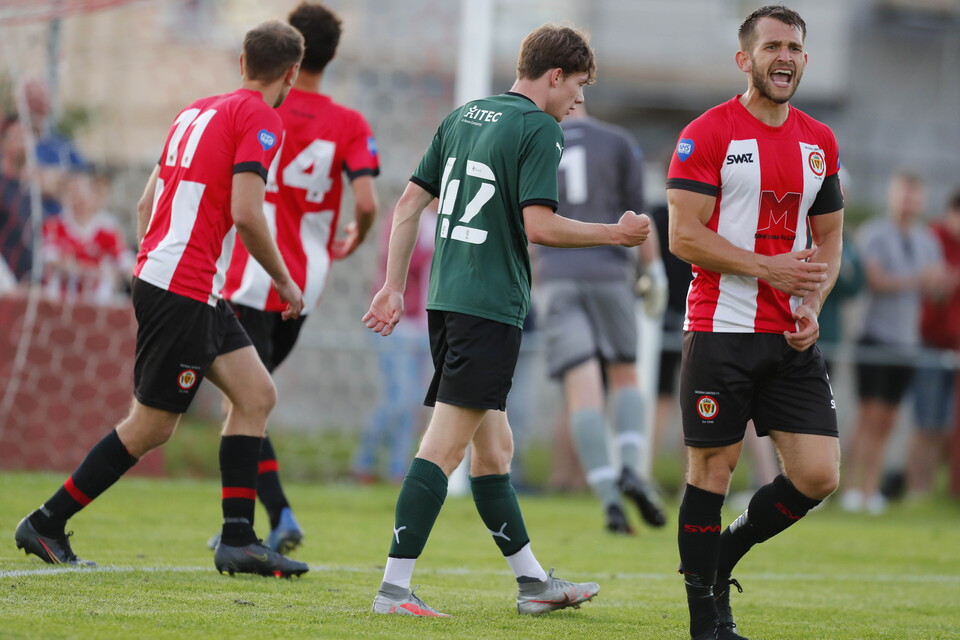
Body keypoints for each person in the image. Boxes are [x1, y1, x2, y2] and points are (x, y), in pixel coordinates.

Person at [362, 23, 650, 617]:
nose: (578, 100)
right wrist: (614, 234)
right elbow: (538, 226)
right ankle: (393, 590)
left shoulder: (464, 116)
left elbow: (409, 205)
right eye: (577, 86)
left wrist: (393, 286)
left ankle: (533, 585)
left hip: (447, 301)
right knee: (443, 449)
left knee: (495, 452)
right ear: (554, 76)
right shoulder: (539, 128)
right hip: (488, 308)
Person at [14, 20, 309, 578]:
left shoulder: (194, 112)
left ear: (242, 62)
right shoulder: (261, 119)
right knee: (151, 426)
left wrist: (158, 264)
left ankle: (238, 540)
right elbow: (247, 213)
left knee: (255, 394)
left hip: (181, 280)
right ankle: (47, 522)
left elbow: (146, 205)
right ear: (291, 73)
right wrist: (285, 281)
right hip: (184, 286)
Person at [666, 7, 845, 639]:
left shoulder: (820, 141)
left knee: (819, 475)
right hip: (721, 329)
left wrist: (813, 304)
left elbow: (829, 238)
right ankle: (705, 624)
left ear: (805, 59)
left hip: (790, 338)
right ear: (745, 59)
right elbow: (683, 236)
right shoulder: (708, 132)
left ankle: (723, 557)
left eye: (794, 47)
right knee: (711, 474)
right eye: (772, 46)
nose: (784, 56)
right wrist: (769, 270)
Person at [213, 0, 381, 554]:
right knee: (248, 400)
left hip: (252, 275)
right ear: (329, 56)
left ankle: (274, 515)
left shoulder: (258, 108)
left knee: (244, 401)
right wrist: (356, 235)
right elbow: (366, 202)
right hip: (303, 285)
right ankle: (257, 515)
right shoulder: (350, 123)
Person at [533, 104, 667, 534]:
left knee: (582, 388)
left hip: (555, 275)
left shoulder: (534, 143)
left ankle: (609, 497)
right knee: (625, 374)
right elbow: (639, 217)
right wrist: (655, 271)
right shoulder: (617, 141)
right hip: (609, 271)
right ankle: (630, 467)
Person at [840, 171, 945, 515]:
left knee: (888, 419)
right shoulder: (874, 233)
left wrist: (940, 283)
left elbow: (936, 290)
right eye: (904, 194)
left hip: (907, 342)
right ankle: (851, 487)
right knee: (868, 415)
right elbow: (875, 280)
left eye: (914, 196)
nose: (909, 202)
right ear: (892, 195)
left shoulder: (927, 240)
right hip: (875, 336)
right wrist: (918, 279)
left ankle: (871, 489)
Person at [352, 205, 434, 485]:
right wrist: (433, 251)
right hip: (396, 324)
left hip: (426, 327)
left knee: (414, 403)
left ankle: (398, 470)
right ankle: (365, 461)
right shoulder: (406, 215)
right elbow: (396, 262)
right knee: (400, 400)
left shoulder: (448, 219)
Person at [906, 189, 960, 498]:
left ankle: (927, 491)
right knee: (925, 423)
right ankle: (916, 490)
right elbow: (933, 291)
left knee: (943, 426)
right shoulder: (932, 239)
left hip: (954, 348)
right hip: (930, 343)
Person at [41, 168, 133, 305]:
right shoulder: (53, 226)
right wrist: (89, 271)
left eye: (82, 191)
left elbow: (127, 265)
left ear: (94, 195)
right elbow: (50, 261)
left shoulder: (107, 231)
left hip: (98, 307)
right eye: (71, 192)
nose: (78, 198)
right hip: (60, 304)